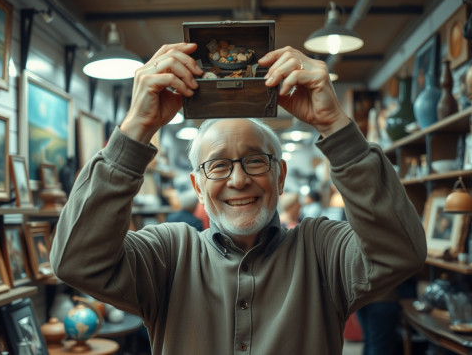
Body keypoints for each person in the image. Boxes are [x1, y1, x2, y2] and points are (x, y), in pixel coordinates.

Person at [50, 43, 427, 354]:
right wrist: (136, 128)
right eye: (217, 166)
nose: (239, 179)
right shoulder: (169, 254)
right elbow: (75, 261)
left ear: (279, 177)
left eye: (255, 161)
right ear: (198, 187)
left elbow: (400, 253)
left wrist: (335, 127)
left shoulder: (321, 251)